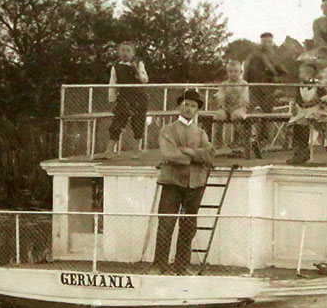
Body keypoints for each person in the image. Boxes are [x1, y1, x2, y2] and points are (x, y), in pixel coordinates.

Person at [154, 89, 215, 274]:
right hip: (172, 182)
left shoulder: (201, 132)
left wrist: (188, 151)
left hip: (195, 184)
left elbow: (210, 154)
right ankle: (160, 266)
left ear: (197, 110)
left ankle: (181, 266)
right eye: (186, 104)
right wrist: (196, 156)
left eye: (193, 106)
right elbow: (170, 155)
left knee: (188, 226)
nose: (189, 108)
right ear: (180, 105)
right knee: (166, 225)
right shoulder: (167, 130)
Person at [105, 41, 149, 158]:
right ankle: (109, 151)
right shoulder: (116, 67)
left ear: (133, 53)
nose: (125, 53)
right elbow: (112, 83)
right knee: (117, 122)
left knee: (138, 122)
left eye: (128, 50)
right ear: (119, 52)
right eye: (123, 50)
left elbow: (145, 79)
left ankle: (136, 151)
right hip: (124, 98)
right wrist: (112, 99)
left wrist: (137, 73)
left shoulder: (138, 63)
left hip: (138, 97)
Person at [244, 32, 282, 158]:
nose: (266, 44)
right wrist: (245, 85)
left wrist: (277, 87)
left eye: (269, 41)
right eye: (264, 41)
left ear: (272, 42)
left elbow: (279, 73)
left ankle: (262, 143)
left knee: (266, 116)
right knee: (249, 114)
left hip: (268, 90)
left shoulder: (275, 56)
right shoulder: (253, 55)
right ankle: (247, 142)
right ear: (261, 41)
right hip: (254, 88)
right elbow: (246, 70)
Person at [214, 60, 250, 157]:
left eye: (235, 71)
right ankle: (218, 141)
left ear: (240, 72)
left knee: (236, 115)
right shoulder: (224, 84)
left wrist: (236, 107)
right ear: (227, 72)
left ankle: (237, 140)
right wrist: (222, 106)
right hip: (227, 107)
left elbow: (244, 99)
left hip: (240, 107)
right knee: (219, 114)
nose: (233, 74)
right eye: (230, 71)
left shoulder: (244, 84)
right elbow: (220, 96)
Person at [286, 62, 320, 165]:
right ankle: (299, 151)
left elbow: (318, 99)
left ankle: (303, 151)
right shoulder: (300, 86)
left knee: (304, 122)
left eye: (301, 73)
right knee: (297, 126)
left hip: (313, 109)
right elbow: (298, 99)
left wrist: (309, 104)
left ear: (309, 75)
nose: (299, 75)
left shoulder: (316, 86)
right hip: (303, 109)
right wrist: (299, 105)